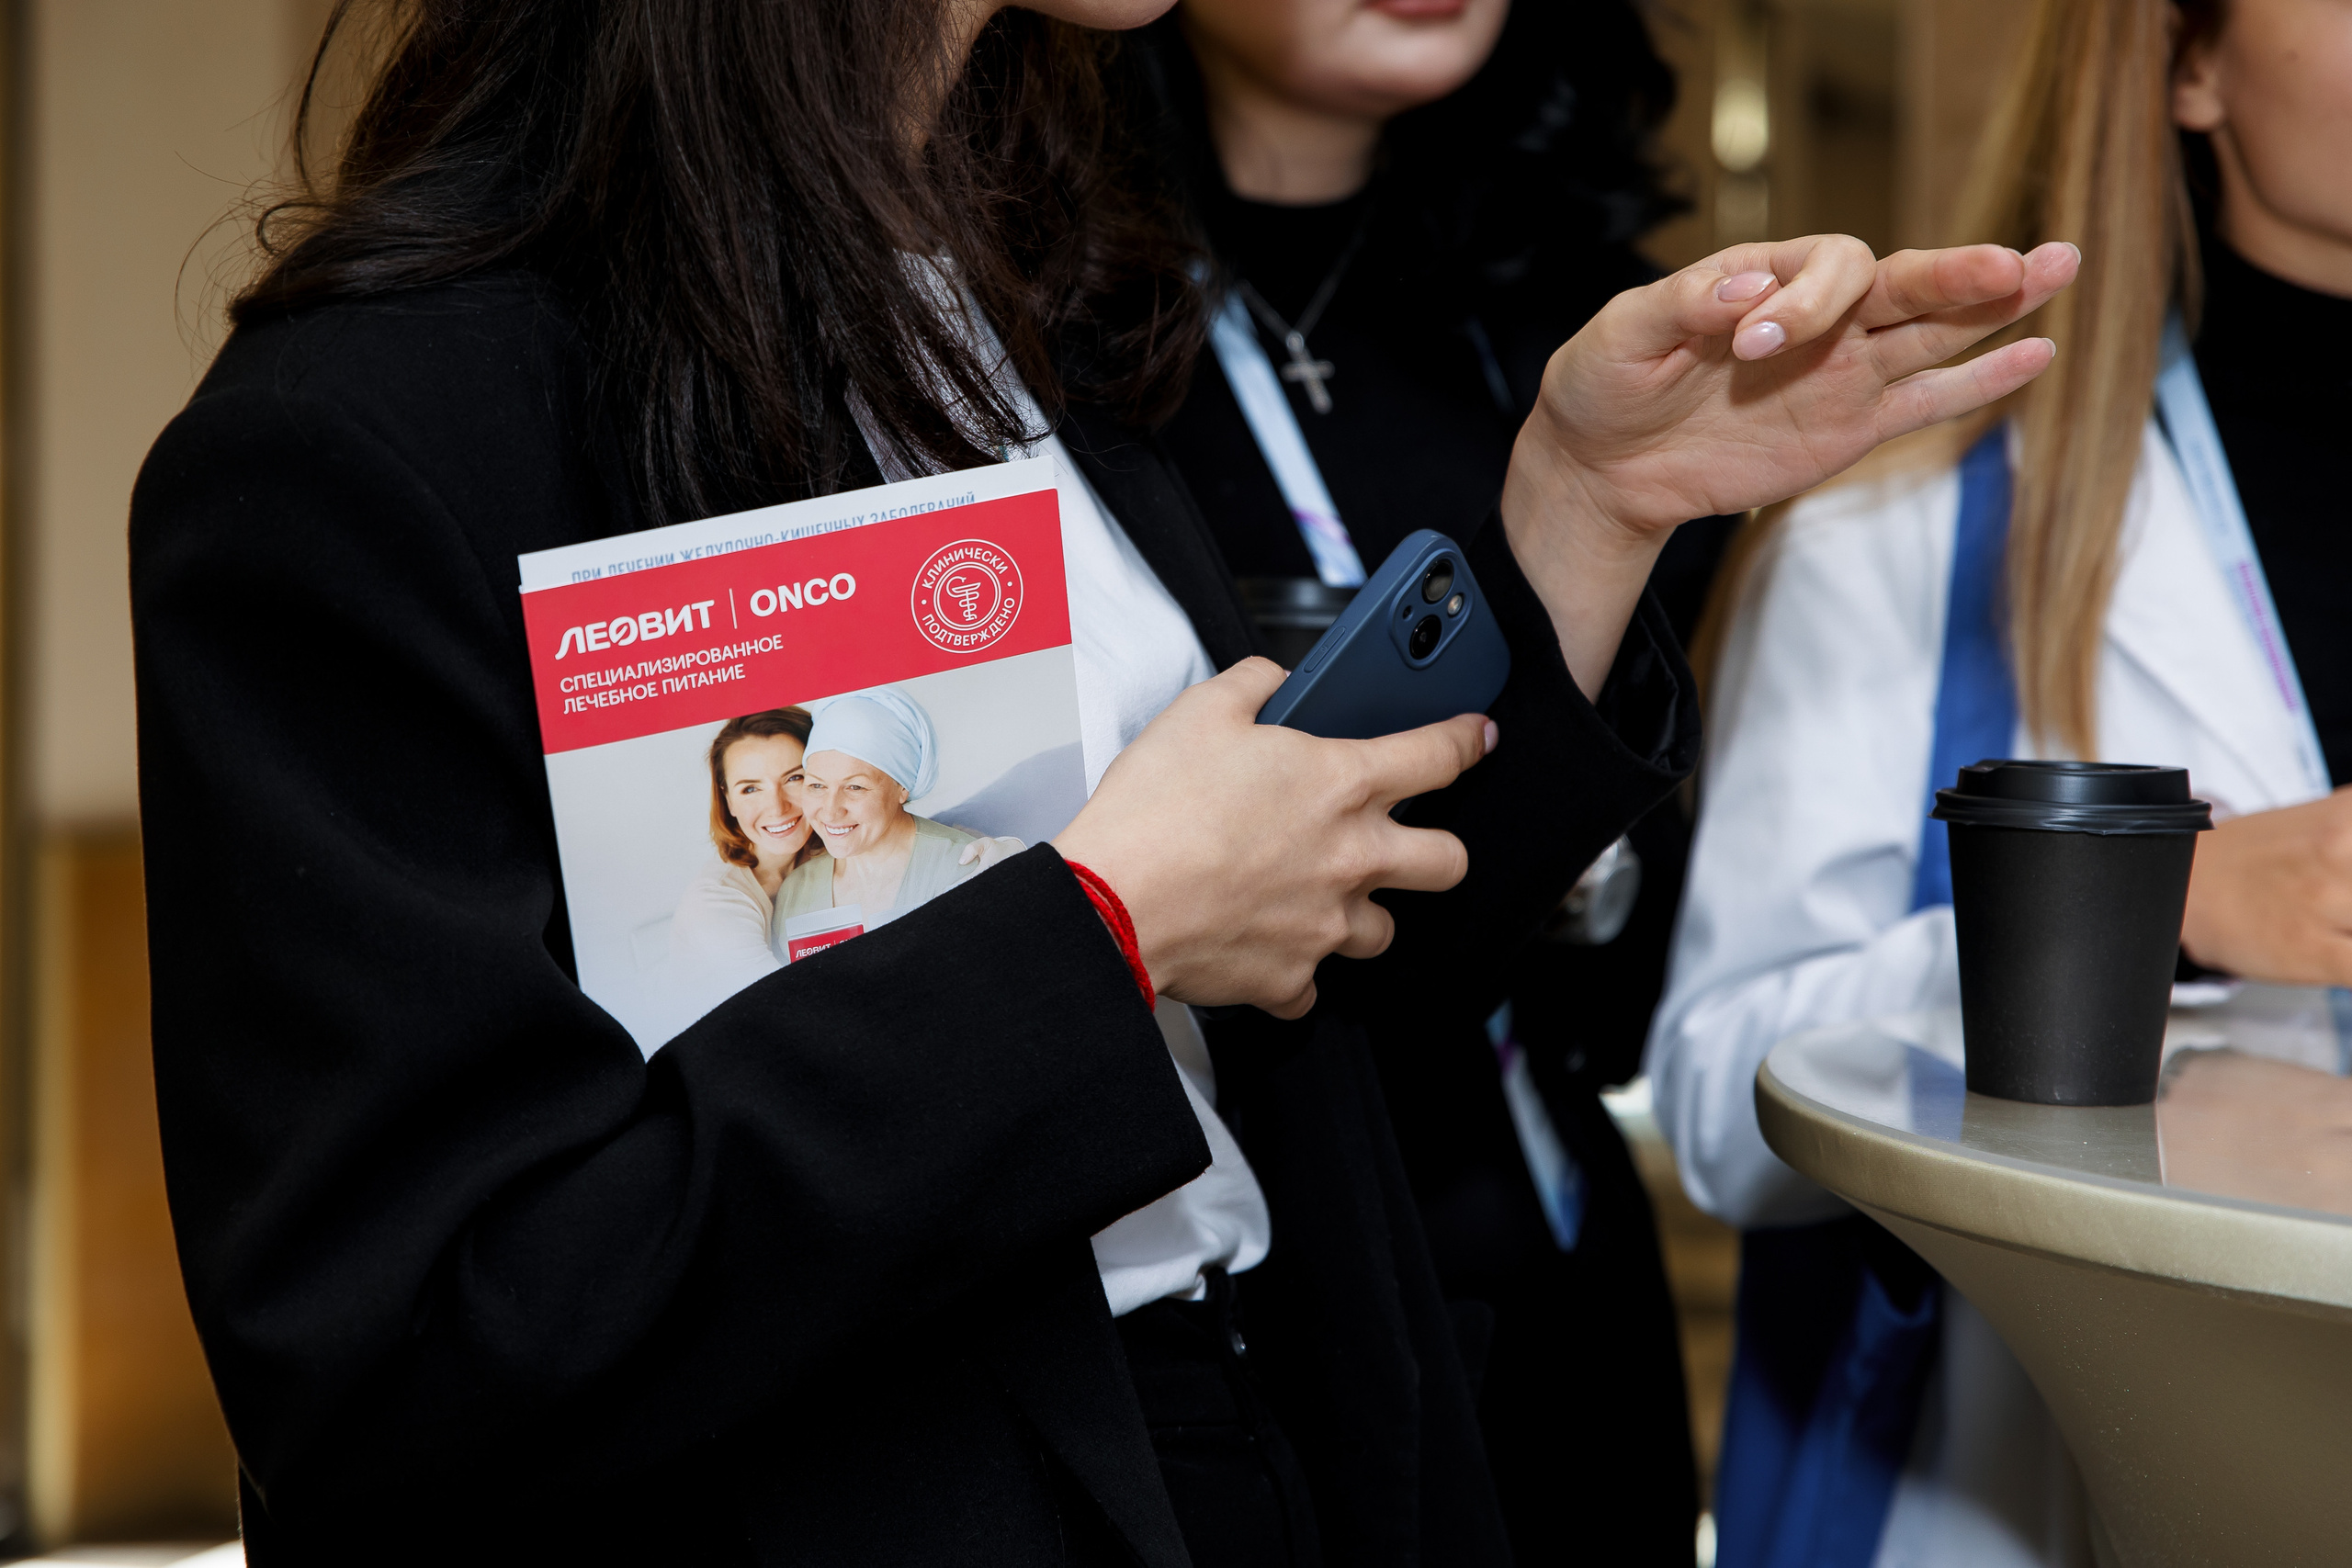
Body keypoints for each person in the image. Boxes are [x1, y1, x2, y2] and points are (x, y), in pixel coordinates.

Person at [129, 0, 2073, 1560]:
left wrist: (1579, 508)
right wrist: (1097, 924)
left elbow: (1308, 986)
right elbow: (409, 1351)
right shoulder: (370, 444)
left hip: (1274, 1430)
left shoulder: (991, 303)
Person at [1648, 1, 2351, 1564]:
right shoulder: (1893, 537)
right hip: (2057, 1492)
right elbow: (1718, 1102)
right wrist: (2161, 913)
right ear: (2186, 65)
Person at [1136, 0, 1726, 1557]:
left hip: (1553, 1247)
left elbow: (1680, 905)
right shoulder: (1020, 339)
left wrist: (1592, 858)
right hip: (1230, 1307)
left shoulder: (1594, 326)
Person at [776, 688, 992, 929]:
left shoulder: (965, 867)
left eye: (855, 787)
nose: (830, 812)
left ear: (902, 788)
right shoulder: (795, 893)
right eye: (817, 785)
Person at [668, 707, 819, 1005]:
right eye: (750, 789)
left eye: (794, 778)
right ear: (728, 800)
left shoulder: (821, 852)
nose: (777, 808)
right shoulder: (717, 905)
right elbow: (788, 1009)